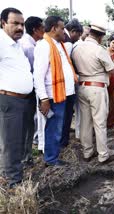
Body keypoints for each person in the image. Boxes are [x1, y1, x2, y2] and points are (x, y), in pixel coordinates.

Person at [33, 16, 77, 167]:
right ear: (53, 28)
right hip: (54, 96)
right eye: (62, 27)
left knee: (60, 127)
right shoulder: (44, 45)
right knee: (54, 127)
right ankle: (51, 160)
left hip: (65, 93)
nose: (64, 31)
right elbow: (38, 76)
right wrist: (44, 99)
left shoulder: (59, 44)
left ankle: (54, 155)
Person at [72, 24, 114, 163]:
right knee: (99, 122)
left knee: (85, 122)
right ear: (100, 36)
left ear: (90, 33)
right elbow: (112, 70)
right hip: (97, 88)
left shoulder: (76, 48)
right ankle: (103, 155)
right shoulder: (99, 50)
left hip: (82, 87)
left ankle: (87, 153)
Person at [0, 7, 33, 188]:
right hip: (9, 100)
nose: (20, 27)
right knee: (11, 143)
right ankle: (12, 183)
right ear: (3, 23)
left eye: (22, 24)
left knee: (18, 141)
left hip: (22, 100)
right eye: (15, 23)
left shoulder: (16, 44)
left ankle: (13, 174)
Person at [19, 16, 44, 166]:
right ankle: (25, 158)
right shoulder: (29, 47)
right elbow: (35, 72)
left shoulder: (27, 43)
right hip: (26, 92)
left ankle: (25, 156)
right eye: (42, 28)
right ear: (35, 30)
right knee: (27, 125)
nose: (44, 30)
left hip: (23, 91)